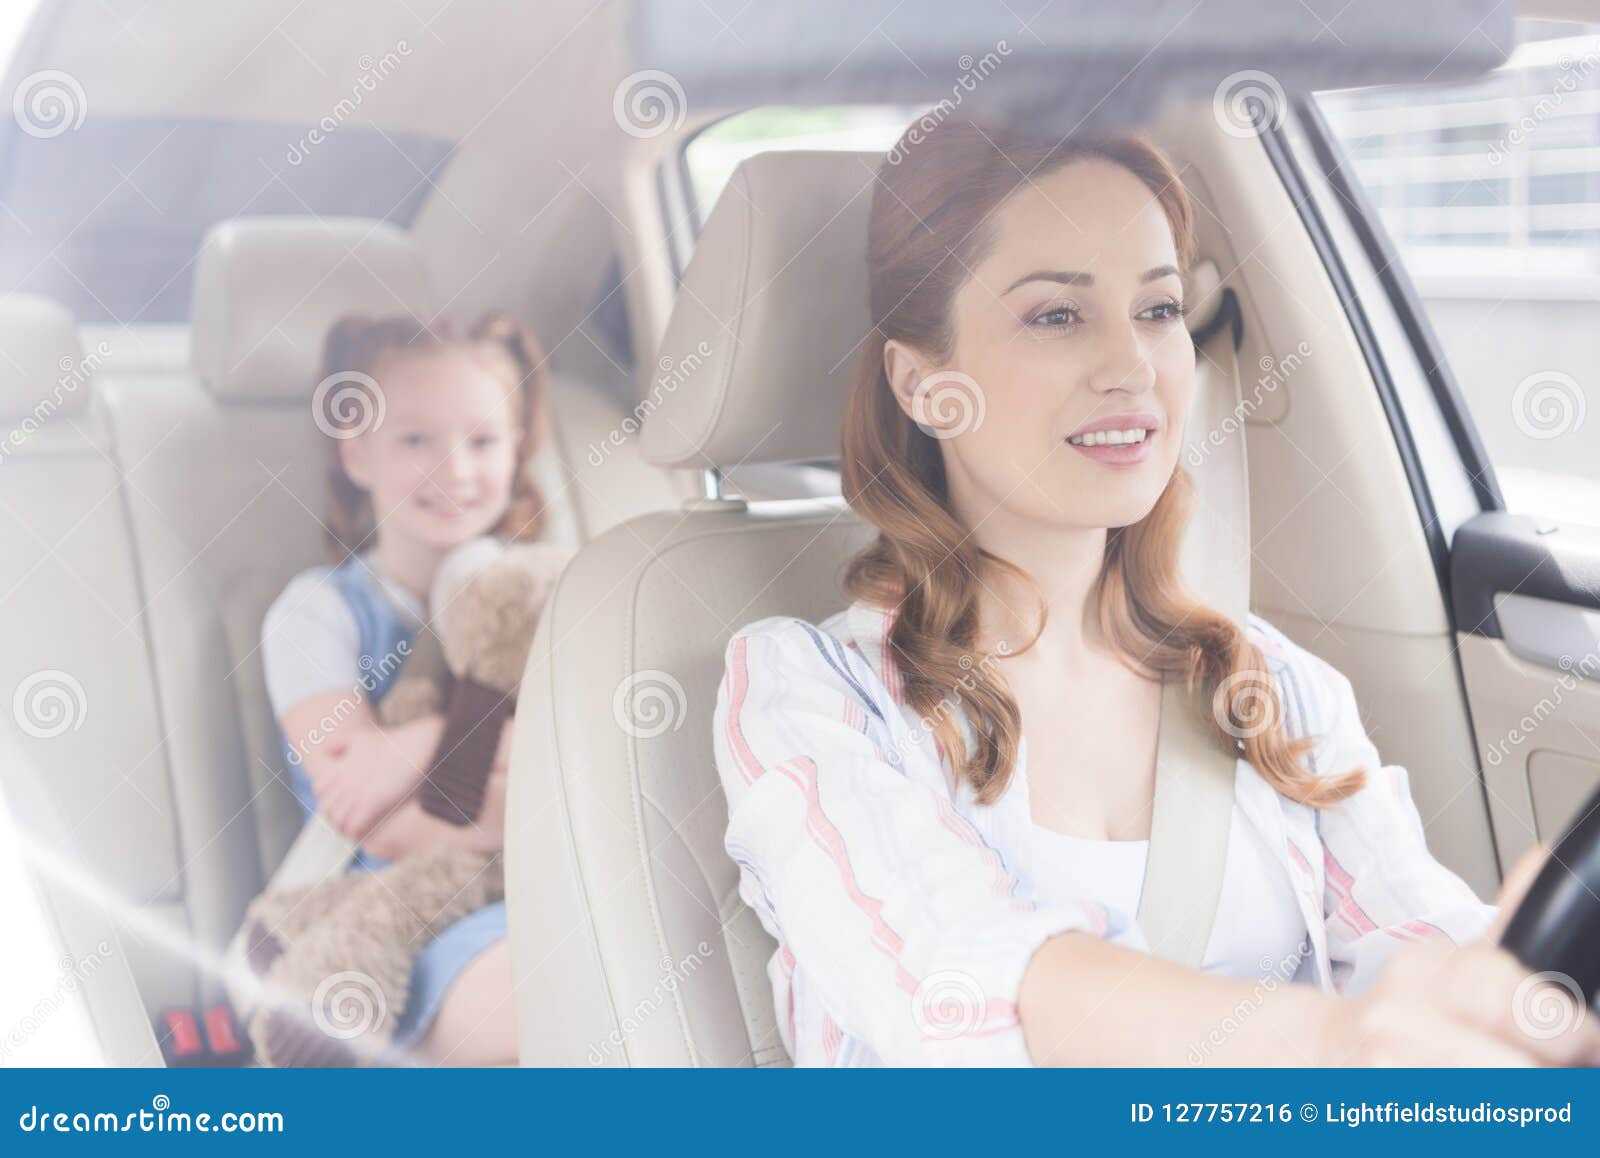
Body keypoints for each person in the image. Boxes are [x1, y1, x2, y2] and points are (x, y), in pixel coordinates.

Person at [712, 117, 1600, 1067]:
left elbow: (1416, 942)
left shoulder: (1269, 683)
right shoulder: (807, 694)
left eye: (1159, 310)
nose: (1132, 367)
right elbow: (954, 985)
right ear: (924, 382)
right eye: (1057, 314)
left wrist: (1507, 1009)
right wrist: (1332, 1046)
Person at [260, 312, 554, 1064]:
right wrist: (525, 778)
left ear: (518, 448)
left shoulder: (544, 592)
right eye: (417, 439)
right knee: (573, 1004)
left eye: (483, 441)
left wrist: (419, 744)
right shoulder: (319, 613)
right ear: (357, 452)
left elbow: (588, 769)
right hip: (405, 912)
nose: (453, 469)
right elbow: (378, 817)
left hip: (549, 880)